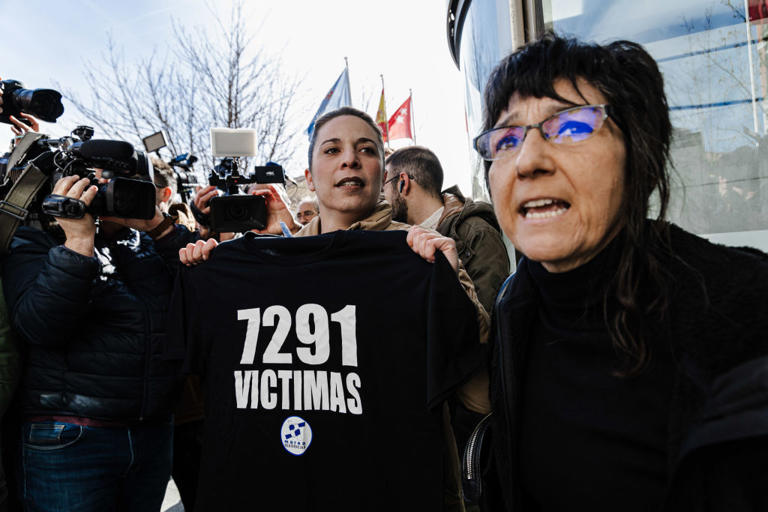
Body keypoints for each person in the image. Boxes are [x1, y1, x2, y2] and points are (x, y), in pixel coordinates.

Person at [474, 34, 768, 511]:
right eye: (507, 139)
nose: (527, 161)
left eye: (570, 126)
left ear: (640, 159)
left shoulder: (745, 312)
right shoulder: (515, 309)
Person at [179, 107, 490, 511]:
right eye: (332, 149)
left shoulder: (418, 255)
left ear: (384, 172)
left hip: (387, 490)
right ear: (309, 177)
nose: (350, 159)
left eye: (366, 149)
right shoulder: (267, 266)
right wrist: (211, 268)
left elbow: (477, 393)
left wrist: (450, 286)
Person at [2, 166, 197, 510]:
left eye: (122, 183)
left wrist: (158, 226)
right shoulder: (36, 239)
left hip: (151, 434)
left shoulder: (146, 244)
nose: (108, 193)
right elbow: (40, 326)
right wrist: (78, 242)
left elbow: (200, 297)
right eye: (96, 184)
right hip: (70, 438)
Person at [383, 145, 509, 313]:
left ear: (403, 183)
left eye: (383, 187)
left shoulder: (477, 233)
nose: (381, 198)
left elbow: (488, 317)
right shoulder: (400, 238)